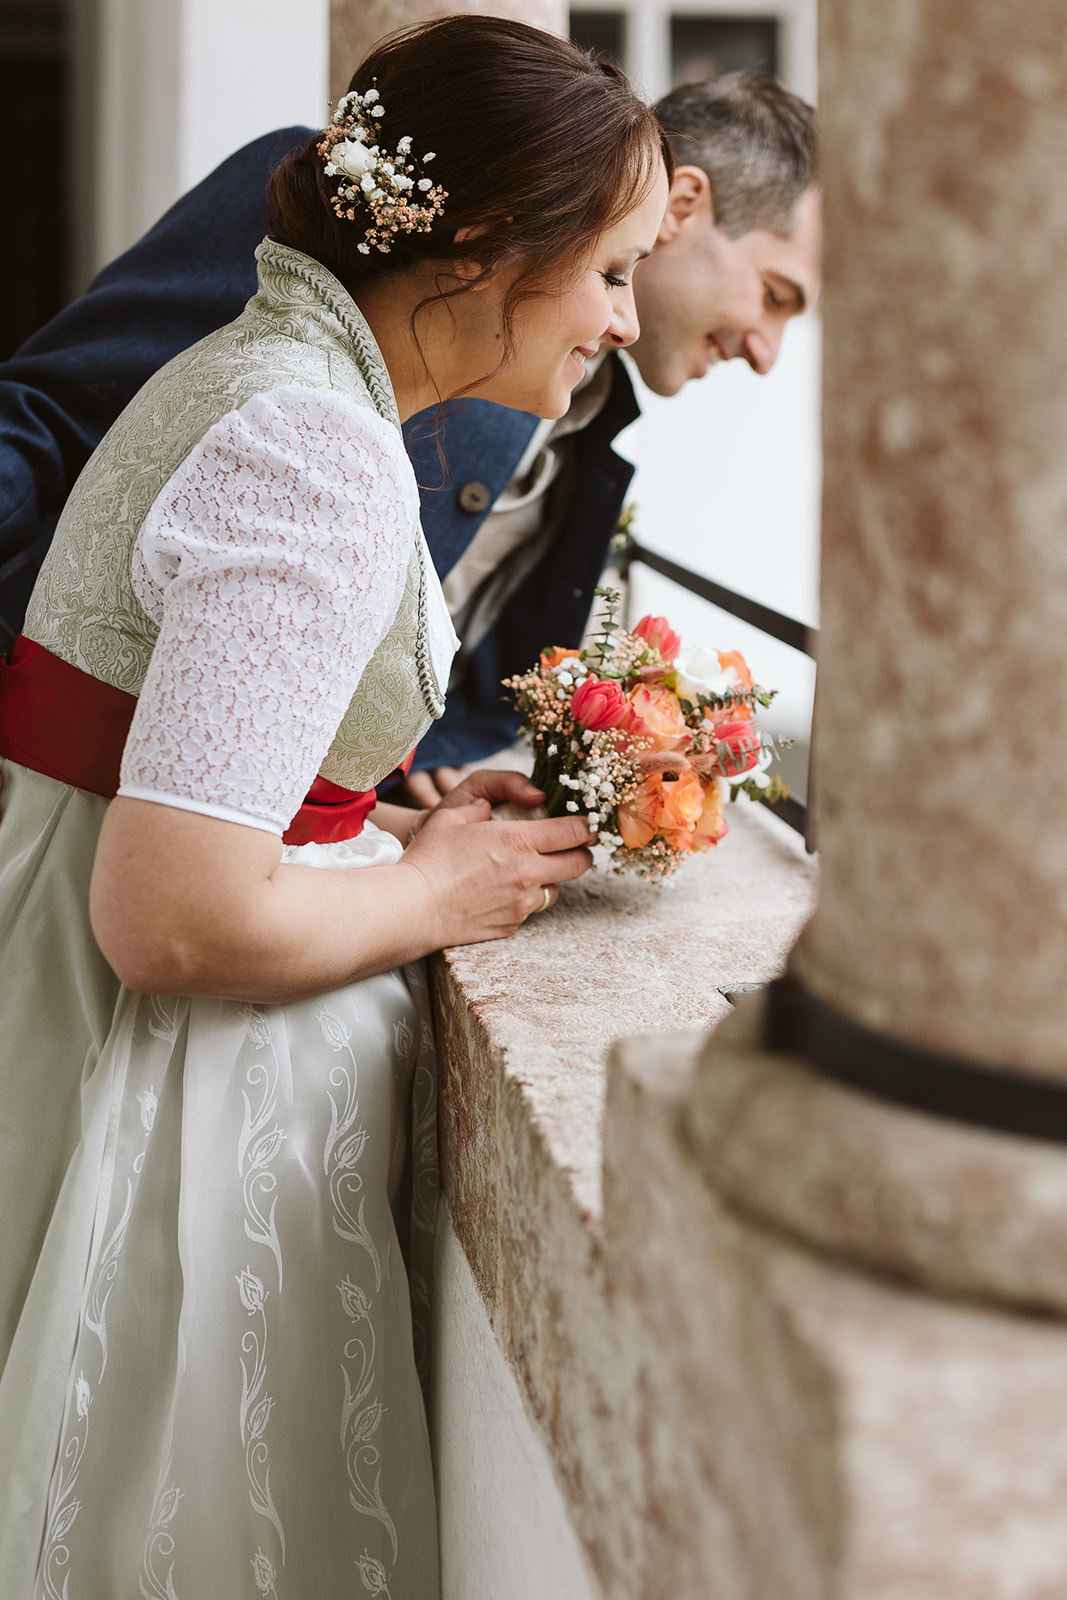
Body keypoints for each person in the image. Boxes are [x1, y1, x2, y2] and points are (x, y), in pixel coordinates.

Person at [0, 16, 671, 1596]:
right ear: (482, 247)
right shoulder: (313, 441)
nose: (622, 321)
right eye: (610, 270)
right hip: (156, 1072)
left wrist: (376, 821)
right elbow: (172, 915)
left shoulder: (271, 371)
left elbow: (204, 769)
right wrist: (439, 899)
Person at [0, 71, 820, 803]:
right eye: (776, 295)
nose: (765, 351)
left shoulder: (585, 423)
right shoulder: (337, 245)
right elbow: (51, 412)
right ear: (682, 205)